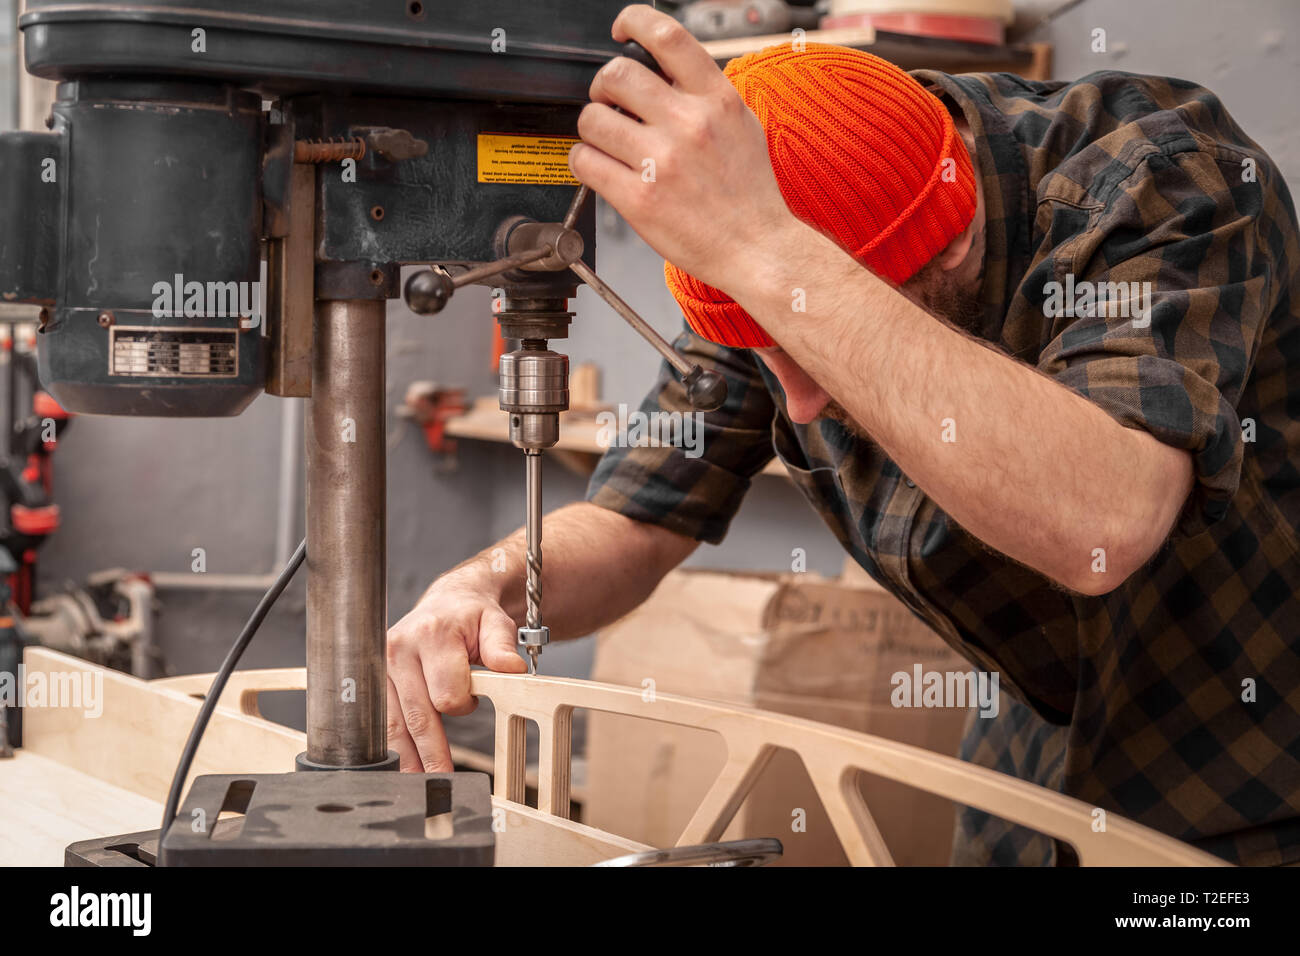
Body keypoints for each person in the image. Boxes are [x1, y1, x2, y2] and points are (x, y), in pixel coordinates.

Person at [387, 5, 1300, 865]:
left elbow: (1103, 523)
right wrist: (485, 585)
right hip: (1030, 769)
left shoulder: (1159, 180)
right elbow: (640, 513)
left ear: (952, 245)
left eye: (805, 345)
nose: (798, 403)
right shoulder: (765, 246)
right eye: (759, 347)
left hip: (1254, 774)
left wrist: (772, 258)